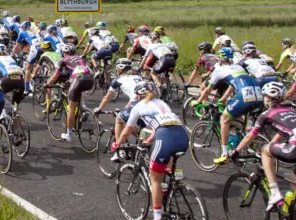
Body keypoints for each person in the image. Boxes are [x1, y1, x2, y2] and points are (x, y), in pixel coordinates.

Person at [230, 82, 296, 212]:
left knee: (264, 151)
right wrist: (272, 146)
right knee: (295, 189)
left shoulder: (266, 114)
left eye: (265, 96)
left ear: (268, 98)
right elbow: (280, 133)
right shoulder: (292, 110)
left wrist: (236, 151)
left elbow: (249, 137)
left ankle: (274, 192)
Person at [114, 81, 188, 220]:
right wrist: (151, 138)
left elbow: (126, 132)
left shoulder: (138, 107)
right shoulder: (162, 103)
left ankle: (157, 216)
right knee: (166, 167)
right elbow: (162, 122)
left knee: (155, 180)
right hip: (182, 136)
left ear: (138, 95)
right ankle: (170, 185)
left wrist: (117, 144)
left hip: (165, 138)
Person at [193, 49, 264, 165]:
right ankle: (245, 135)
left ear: (218, 60)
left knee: (224, 119)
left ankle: (224, 154)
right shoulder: (238, 67)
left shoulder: (219, 70)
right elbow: (232, 86)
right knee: (237, 116)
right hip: (258, 94)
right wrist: (223, 99)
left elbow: (207, 89)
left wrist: (197, 102)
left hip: (244, 94)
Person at [94, 58, 143, 160]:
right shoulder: (138, 77)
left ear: (120, 69)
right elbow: (134, 96)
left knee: (119, 120)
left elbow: (107, 98)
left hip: (137, 104)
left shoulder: (117, 80)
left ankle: (119, 149)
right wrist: (125, 108)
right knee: (140, 127)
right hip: (149, 103)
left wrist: (99, 109)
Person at [46, 43, 94, 142]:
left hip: (78, 79)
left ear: (65, 52)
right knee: (78, 91)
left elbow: (55, 75)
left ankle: (68, 134)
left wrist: (48, 84)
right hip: (90, 79)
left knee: (71, 108)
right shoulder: (80, 58)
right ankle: (83, 108)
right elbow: (85, 70)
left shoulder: (63, 60)